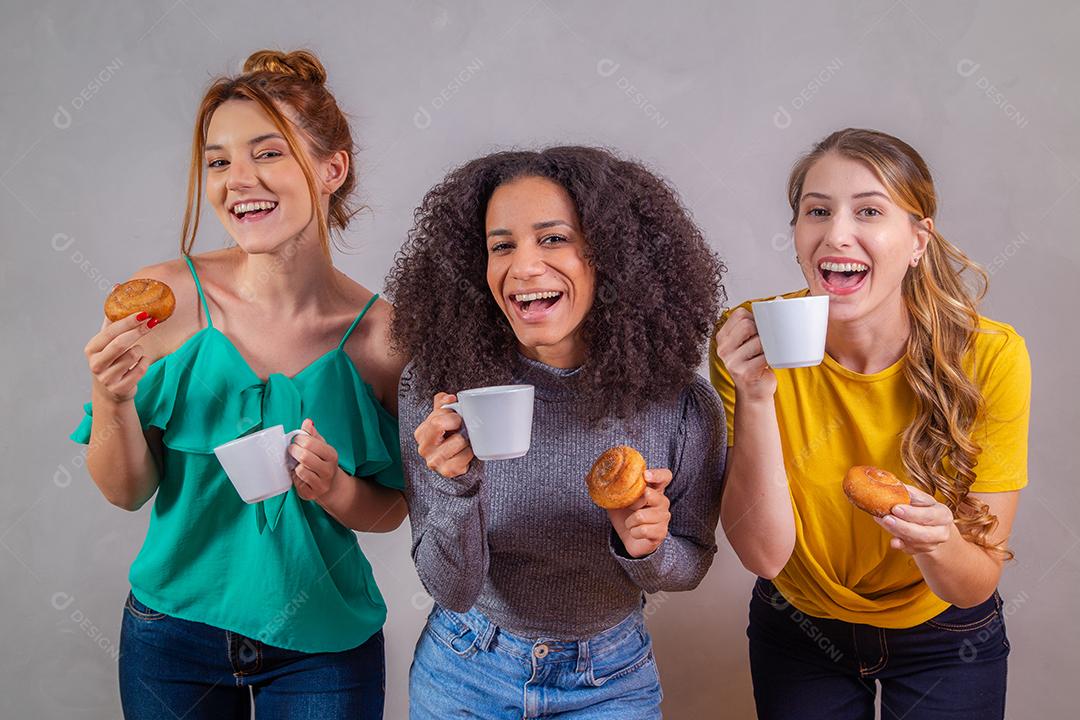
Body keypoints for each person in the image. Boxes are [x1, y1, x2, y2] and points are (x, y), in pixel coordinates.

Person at [73, 50, 406, 719]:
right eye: (218, 161)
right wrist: (112, 401)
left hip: (324, 645)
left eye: (268, 153)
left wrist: (336, 488)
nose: (237, 180)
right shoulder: (164, 301)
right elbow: (126, 491)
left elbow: (394, 507)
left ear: (330, 168)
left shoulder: (382, 339)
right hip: (170, 634)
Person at [385, 146, 728, 719]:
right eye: (502, 246)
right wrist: (455, 487)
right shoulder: (440, 391)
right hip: (465, 670)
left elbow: (689, 565)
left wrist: (642, 545)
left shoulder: (683, 405)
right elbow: (452, 589)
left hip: (610, 679)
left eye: (553, 239)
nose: (523, 267)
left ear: (611, 256)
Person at [712, 128, 1030, 720]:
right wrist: (756, 397)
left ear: (918, 239)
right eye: (817, 211)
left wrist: (940, 542)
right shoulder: (750, 341)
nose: (836, 234)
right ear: (797, 232)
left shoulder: (990, 357)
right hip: (800, 627)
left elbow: (974, 582)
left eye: (869, 211)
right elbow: (764, 556)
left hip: (944, 632)